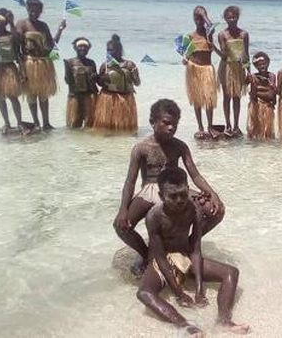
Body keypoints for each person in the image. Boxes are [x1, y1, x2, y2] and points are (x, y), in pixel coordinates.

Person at [114, 99, 226, 274]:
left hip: (177, 189)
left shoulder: (180, 146)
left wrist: (212, 194)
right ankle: (146, 254)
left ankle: (188, 245)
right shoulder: (141, 148)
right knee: (120, 226)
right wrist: (123, 209)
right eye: (166, 123)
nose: (171, 128)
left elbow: (194, 174)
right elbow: (130, 181)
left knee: (217, 211)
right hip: (150, 189)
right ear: (152, 122)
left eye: (175, 124)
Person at [137, 167, 249, 336]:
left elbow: (196, 249)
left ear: (188, 190)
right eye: (173, 196)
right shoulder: (154, 217)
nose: (180, 200)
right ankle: (186, 325)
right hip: (163, 261)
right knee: (144, 293)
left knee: (231, 272)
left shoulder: (193, 209)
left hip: (185, 256)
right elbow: (159, 257)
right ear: (161, 196)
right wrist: (179, 293)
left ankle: (224, 320)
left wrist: (199, 289)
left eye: (183, 194)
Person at [14, 0, 66, 130]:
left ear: (41, 11)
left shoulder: (43, 26)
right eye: (31, 10)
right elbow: (16, 47)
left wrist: (60, 30)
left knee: (44, 95)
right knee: (31, 95)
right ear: (27, 9)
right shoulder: (21, 24)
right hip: (28, 63)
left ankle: (46, 123)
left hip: (43, 63)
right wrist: (21, 69)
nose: (34, 13)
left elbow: (51, 46)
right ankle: (36, 123)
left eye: (37, 11)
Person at [184, 6, 220, 140]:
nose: (198, 20)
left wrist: (203, 15)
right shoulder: (189, 36)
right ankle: (200, 127)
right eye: (196, 17)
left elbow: (211, 25)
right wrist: (185, 60)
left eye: (200, 18)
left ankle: (210, 126)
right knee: (197, 100)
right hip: (194, 69)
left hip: (207, 69)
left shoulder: (209, 33)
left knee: (209, 100)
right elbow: (186, 55)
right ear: (193, 19)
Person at [93, 34, 140, 133]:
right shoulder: (105, 65)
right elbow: (101, 84)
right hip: (107, 99)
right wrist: (97, 78)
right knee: (106, 129)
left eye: (112, 50)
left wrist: (135, 75)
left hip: (125, 99)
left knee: (125, 130)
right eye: (108, 50)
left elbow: (137, 83)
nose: (110, 53)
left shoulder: (129, 65)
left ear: (119, 50)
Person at [217, 6, 250, 138]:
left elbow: (246, 54)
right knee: (227, 97)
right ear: (225, 19)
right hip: (226, 67)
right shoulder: (222, 34)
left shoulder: (244, 34)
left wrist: (249, 72)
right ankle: (228, 124)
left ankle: (236, 125)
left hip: (239, 68)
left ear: (238, 17)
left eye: (234, 17)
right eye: (229, 17)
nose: (231, 20)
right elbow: (223, 56)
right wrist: (216, 47)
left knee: (237, 97)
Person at [63, 37, 98, 128]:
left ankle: (87, 142)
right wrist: (67, 69)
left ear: (88, 49)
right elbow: (67, 80)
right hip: (75, 96)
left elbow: (96, 80)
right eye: (80, 46)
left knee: (89, 124)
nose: (83, 48)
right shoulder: (69, 62)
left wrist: (96, 76)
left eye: (85, 47)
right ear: (75, 48)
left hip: (89, 96)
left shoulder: (91, 62)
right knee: (74, 124)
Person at [246, 52, 276, 140]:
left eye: (264, 64)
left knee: (267, 133)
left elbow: (271, 94)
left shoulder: (271, 76)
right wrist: (249, 80)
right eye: (259, 65)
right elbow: (243, 86)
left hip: (267, 106)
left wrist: (272, 88)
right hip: (256, 106)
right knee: (253, 131)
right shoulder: (253, 77)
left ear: (268, 63)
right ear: (255, 66)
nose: (262, 66)